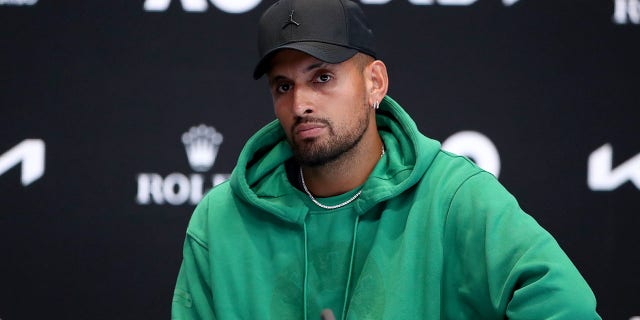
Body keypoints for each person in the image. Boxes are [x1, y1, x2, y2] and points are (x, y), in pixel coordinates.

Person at [171, 0, 601, 319]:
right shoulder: (221, 221)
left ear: (374, 82)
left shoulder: (455, 199)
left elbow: (569, 309)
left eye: (322, 77)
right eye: (283, 86)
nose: (300, 102)